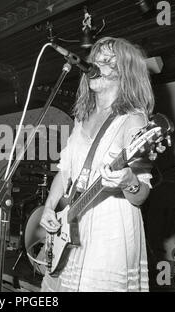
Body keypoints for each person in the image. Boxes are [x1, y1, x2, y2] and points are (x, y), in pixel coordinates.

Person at [40, 37, 154, 292]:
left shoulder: (133, 121)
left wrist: (129, 181)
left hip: (110, 227)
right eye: (94, 60)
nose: (93, 65)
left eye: (106, 61)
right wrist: (49, 208)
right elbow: (65, 170)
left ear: (124, 72)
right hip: (72, 220)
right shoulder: (81, 119)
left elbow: (141, 196)